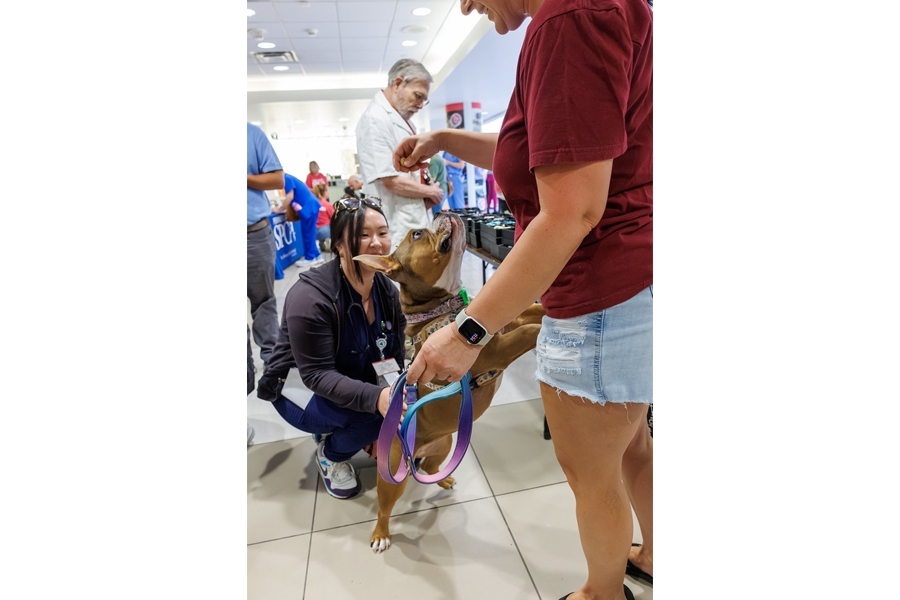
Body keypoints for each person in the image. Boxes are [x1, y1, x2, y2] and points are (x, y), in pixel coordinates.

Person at [393, 1, 653, 599]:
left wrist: (467, 333)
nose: (466, 5)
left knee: (591, 472)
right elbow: (554, 149)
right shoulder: (597, 10)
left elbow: (572, 209)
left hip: (596, 291)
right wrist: (448, 139)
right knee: (631, 443)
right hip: (627, 279)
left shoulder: (568, 20)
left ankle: (602, 592)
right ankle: (655, 553)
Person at [257, 197, 407, 499]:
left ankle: (348, 425)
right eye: (363, 235)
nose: (377, 244)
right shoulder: (310, 299)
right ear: (339, 243)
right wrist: (376, 405)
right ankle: (330, 453)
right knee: (371, 419)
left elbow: (393, 354)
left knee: (393, 411)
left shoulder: (386, 290)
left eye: (383, 232)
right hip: (299, 388)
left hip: (348, 375)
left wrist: (391, 405)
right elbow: (316, 375)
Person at [355, 59, 444, 247]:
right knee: (400, 274)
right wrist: (431, 191)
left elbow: (409, 171)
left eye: (423, 100)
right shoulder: (375, 120)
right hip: (395, 224)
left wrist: (425, 189)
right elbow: (389, 180)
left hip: (411, 218)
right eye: (418, 96)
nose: (420, 105)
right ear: (397, 83)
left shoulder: (403, 120)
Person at [247, 122, 285, 445]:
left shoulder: (251, 135)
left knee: (264, 301)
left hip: (253, 234)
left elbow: (277, 179)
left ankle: (272, 367)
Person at [276, 173, 323, 268]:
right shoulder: (289, 177)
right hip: (311, 206)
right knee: (311, 233)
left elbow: (289, 197)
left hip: (307, 209)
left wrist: (280, 209)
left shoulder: (286, 178)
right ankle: (317, 255)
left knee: (307, 234)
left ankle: (310, 258)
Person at [313, 183, 335, 253]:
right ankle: (328, 240)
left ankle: (321, 243)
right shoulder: (328, 205)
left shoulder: (313, 204)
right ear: (324, 192)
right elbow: (334, 217)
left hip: (314, 231)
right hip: (325, 230)